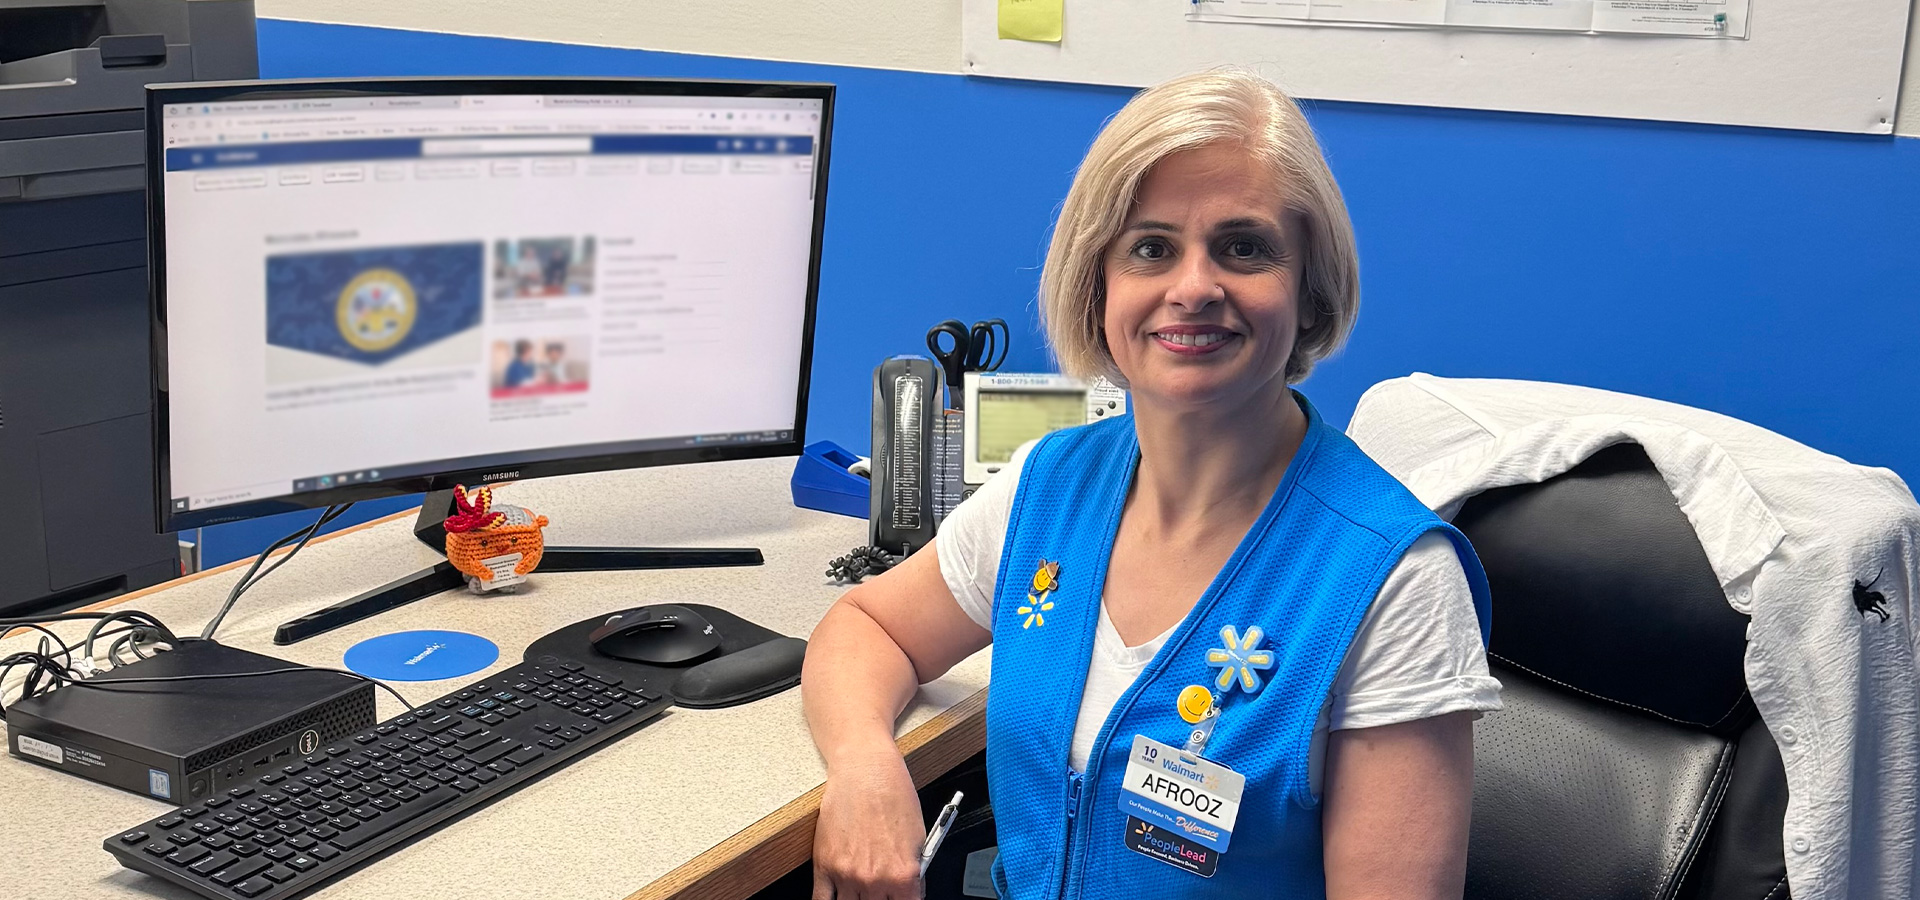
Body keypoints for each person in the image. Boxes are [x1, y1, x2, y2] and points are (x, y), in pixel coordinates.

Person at [802, 68, 1500, 900]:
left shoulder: (1396, 582)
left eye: (1244, 247)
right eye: (1150, 247)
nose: (1194, 286)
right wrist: (865, 768)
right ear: (1100, 288)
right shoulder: (1049, 488)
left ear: (1309, 291)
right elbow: (867, 626)